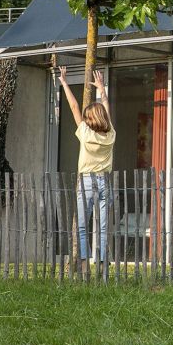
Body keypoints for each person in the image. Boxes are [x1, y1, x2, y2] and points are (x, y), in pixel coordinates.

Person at [58, 67, 116, 272]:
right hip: (105, 181)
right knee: (102, 228)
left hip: (86, 181)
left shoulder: (85, 133)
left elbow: (74, 106)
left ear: (89, 119)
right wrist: (102, 89)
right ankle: (101, 264)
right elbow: (106, 110)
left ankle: (84, 266)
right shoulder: (111, 136)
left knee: (83, 226)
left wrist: (64, 83)